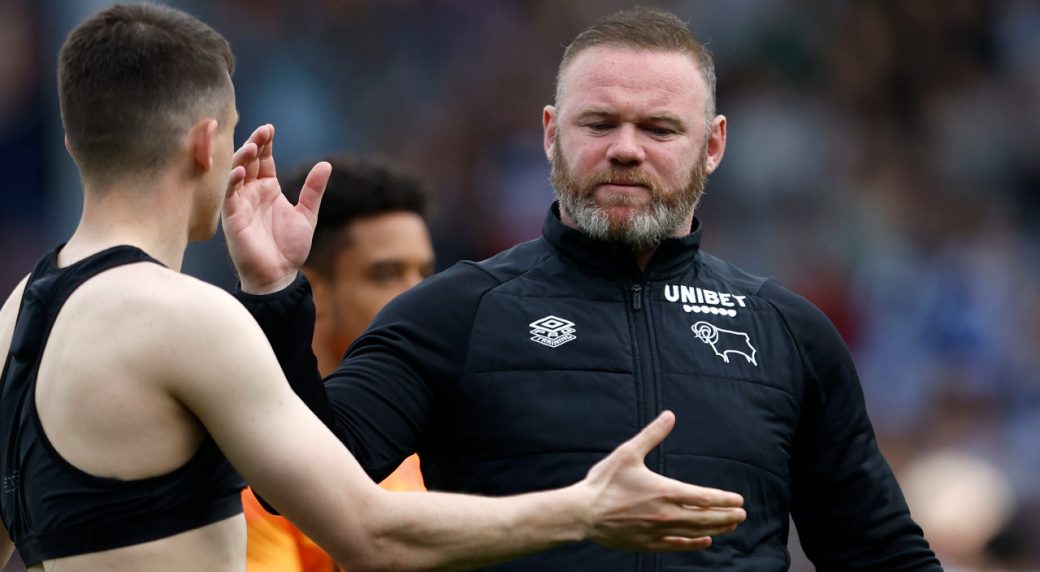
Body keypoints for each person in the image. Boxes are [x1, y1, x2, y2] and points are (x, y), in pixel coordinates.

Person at [0, 5, 752, 571]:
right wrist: (585, 509)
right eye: (231, 132)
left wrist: (272, 285)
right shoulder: (188, 318)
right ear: (206, 143)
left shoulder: (17, 317)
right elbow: (369, 533)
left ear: (74, 142)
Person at [230, 6, 944, 571]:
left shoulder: (787, 331)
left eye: (659, 128)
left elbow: (878, 552)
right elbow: (300, 481)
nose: (626, 149)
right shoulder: (455, 311)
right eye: (599, 123)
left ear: (714, 145)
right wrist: (273, 294)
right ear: (551, 134)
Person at [243, 155, 433, 572]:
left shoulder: (436, 441)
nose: (419, 296)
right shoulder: (253, 470)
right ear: (315, 291)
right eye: (387, 274)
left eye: (425, 273)